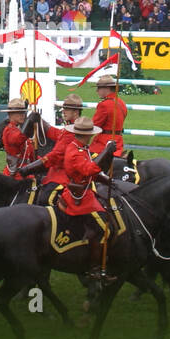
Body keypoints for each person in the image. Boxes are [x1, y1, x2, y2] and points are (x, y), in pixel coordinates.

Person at [59, 117, 114, 282]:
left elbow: (94, 172)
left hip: (86, 191)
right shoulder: (74, 151)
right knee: (103, 227)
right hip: (79, 197)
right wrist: (106, 151)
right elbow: (89, 169)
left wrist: (109, 181)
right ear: (87, 135)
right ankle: (94, 268)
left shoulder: (82, 148)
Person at [91, 74, 127, 158]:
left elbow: (94, 127)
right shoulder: (122, 103)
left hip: (104, 143)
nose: (97, 91)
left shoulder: (104, 105)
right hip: (118, 142)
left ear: (106, 89)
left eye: (99, 88)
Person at [0, 97, 35, 177]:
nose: (22, 115)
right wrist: (29, 124)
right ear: (11, 114)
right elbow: (17, 139)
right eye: (19, 113)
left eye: (23, 112)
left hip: (27, 172)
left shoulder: (18, 129)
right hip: (16, 175)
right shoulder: (9, 130)